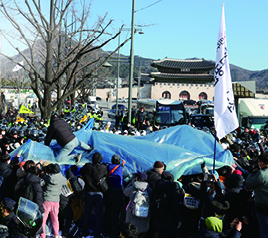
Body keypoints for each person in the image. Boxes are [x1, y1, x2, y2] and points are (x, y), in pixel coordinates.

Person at [80, 152, 108, 238]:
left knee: (87, 213)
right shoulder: (103, 168)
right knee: (99, 215)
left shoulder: (87, 166)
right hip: (99, 194)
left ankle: (84, 232)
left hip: (88, 193)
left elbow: (81, 171)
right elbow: (106, 175)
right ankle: (97, 234)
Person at [40, 163, 67, 238]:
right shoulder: (62, 178)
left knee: (43, 219)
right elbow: (65, 183)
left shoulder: (47, 177)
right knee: (55, 219)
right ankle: (56, 235)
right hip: (56, 201)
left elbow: (41, 184)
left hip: (47, 200)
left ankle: (42, 235)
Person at [245, 153, 268, 238]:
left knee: (264, 232)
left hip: (263, 208)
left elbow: (248, 183)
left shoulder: (262, 174)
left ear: (261, 163)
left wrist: (252, 172)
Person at [123, 172, 152, 237]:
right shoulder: (149, 190)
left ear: (137, 178)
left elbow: (125, 192)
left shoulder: (132, 188)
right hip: (145, 215)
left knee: (131, 232)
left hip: (132, 215)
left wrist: (131, 182)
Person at [104, 154, 126, 238]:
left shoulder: (107, 167)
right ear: (120, 161)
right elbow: (127, 175)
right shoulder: (122, 169)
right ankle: (113, 233)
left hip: (108, 192)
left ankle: (106, 231)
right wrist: (123, 166)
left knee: (107, 212)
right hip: (118, 193)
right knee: (115, 214)